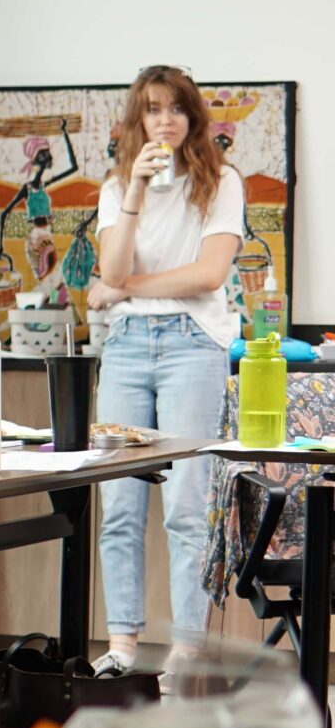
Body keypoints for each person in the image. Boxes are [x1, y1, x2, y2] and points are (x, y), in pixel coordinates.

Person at [88, 64, 243, 675]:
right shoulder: (115, 186)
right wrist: (132, 196)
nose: (165, 120)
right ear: (138, 119)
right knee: (120, 504)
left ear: (192, 116)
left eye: (176, 108)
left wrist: (121, 289)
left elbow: (209, 275)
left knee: (186, 503)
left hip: (193, 344)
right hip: (126, 347)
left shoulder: (220, 182)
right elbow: (112, 262)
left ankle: (186, 650)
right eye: (153, 109)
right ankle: (121, 646)